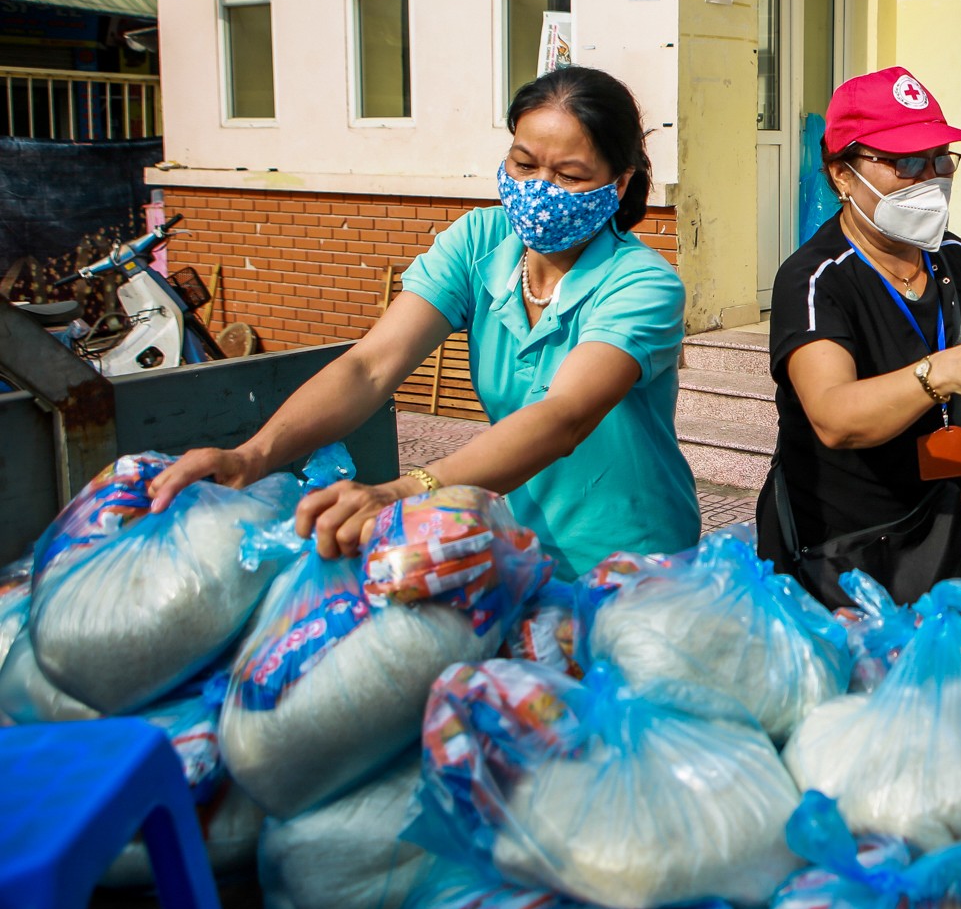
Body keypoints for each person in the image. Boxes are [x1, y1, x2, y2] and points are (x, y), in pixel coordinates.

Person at [149, 67, 700, 580]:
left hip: (636, 562)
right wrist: (254, 455)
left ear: (620, 183)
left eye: (570, 174)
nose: (538, 189)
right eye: (524, 164)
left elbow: (563, 418)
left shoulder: (642, 285)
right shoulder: (480, 243)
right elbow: (370, 366)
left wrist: (404, 492)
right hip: (523, 549)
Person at [757, 67, 961, 607]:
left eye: (942, 159)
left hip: (941, 519)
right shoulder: (816, 278)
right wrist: (941, 371)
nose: (932, 178)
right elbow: (835, 417)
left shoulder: (954, 258)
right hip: (838, 551)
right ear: (842, 175)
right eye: (907, 163)